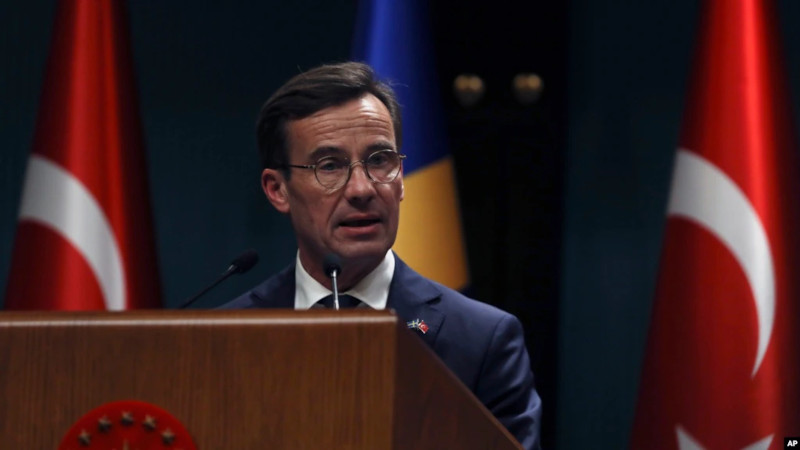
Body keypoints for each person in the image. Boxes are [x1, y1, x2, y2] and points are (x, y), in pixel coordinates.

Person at [220, 61, 542, 449]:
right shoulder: (223, 340)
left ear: (401, 178)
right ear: (278, 190)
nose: (362, 189)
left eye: (379, 160)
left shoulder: (482, 341)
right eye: (330, 166)